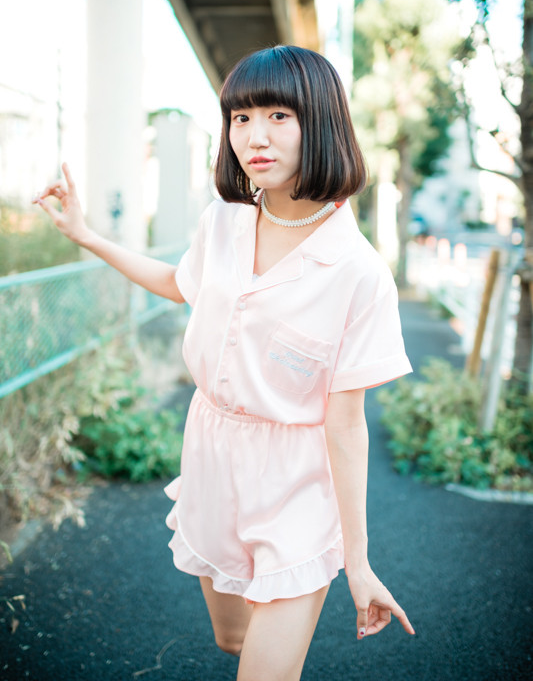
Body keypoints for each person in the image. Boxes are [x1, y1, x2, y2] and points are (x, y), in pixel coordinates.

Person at [34, 45, 415, 681]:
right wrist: (86, 235)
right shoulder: (223, 222)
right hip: (210, 454)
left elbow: (346, 424)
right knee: (233, 640)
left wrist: (359, 561)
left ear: (321, 123)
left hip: (295, 485)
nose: (254, 137)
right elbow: (179, 283)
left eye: (278, 116)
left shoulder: (359, 272)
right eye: (241, 117)